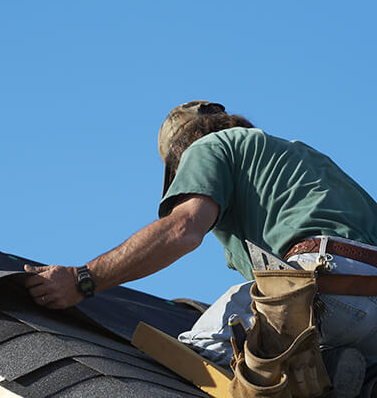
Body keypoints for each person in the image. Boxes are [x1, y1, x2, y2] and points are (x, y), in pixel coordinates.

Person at [25, 101, 377, 397]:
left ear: (179, 160)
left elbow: (183, 229)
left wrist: (82, 279)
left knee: (202, 352)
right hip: (364, 308)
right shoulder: (305, 163)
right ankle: (331, 370)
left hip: (321, 283)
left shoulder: (210, 146)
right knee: (322, 371)